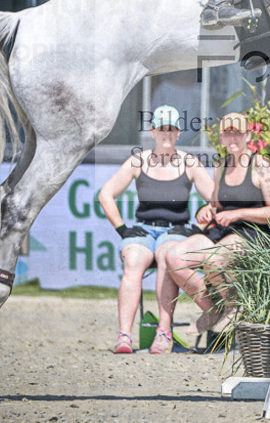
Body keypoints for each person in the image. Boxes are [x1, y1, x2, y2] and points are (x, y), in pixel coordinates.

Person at [98, 105, 215, 354]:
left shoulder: (189, 162)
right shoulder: (138, 161)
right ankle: (124, 336)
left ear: (179, 132)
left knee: (166, 258)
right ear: (152, 131)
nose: (167, 134)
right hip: (143, 230)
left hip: (176, 230)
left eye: (171, 129)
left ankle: (164, 331)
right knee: (133, 261)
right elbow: (106, 194)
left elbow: (216, 200)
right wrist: (122, 230)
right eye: (162, 129)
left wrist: (196, 227)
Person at [162, 112, 270, 336]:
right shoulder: (221, 166)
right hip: (223, 229)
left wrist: (238, 214)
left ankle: (234, 307)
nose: (232, 140)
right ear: (221, 138)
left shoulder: (261, 165)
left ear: (248, 136)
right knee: (173, 256)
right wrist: (207, 210)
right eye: (227, 134)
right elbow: (217, 204)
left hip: (253, 233)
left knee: (215, 259)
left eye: (237, 134)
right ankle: (212, 309)